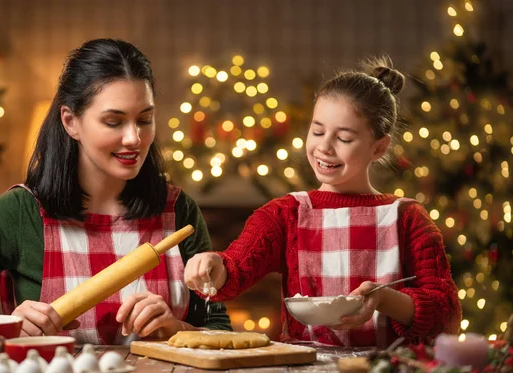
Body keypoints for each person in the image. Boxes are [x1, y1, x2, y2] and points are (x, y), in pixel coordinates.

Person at [0, 39, 231, 344]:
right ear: (70, 121)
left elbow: (220, 332)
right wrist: (6, 329)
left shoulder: (179, 211)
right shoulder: (18, 213)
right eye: (113, 122)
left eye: (145, 119)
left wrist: (174, 329)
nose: (134, 138)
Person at [184, 57, 461, 347]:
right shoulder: (286, 214)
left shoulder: (406, 218)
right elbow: (235, 270)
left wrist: (384, 298)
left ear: (378, 147)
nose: (324, 147)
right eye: (317, 131)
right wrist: (212, 264)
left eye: (343, 138)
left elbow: (446, 315)